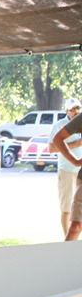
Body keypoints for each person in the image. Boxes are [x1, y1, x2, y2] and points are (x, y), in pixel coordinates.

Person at [50, 99, 82, 235]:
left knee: (78, 210)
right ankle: (66, 240)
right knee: (67, 207)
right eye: (72, 109)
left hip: (80, 172)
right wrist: (75, 145)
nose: (74, 111)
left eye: (77, 108)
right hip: (67, 170)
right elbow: (51, 148)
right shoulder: (59, 125)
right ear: (66, 111)